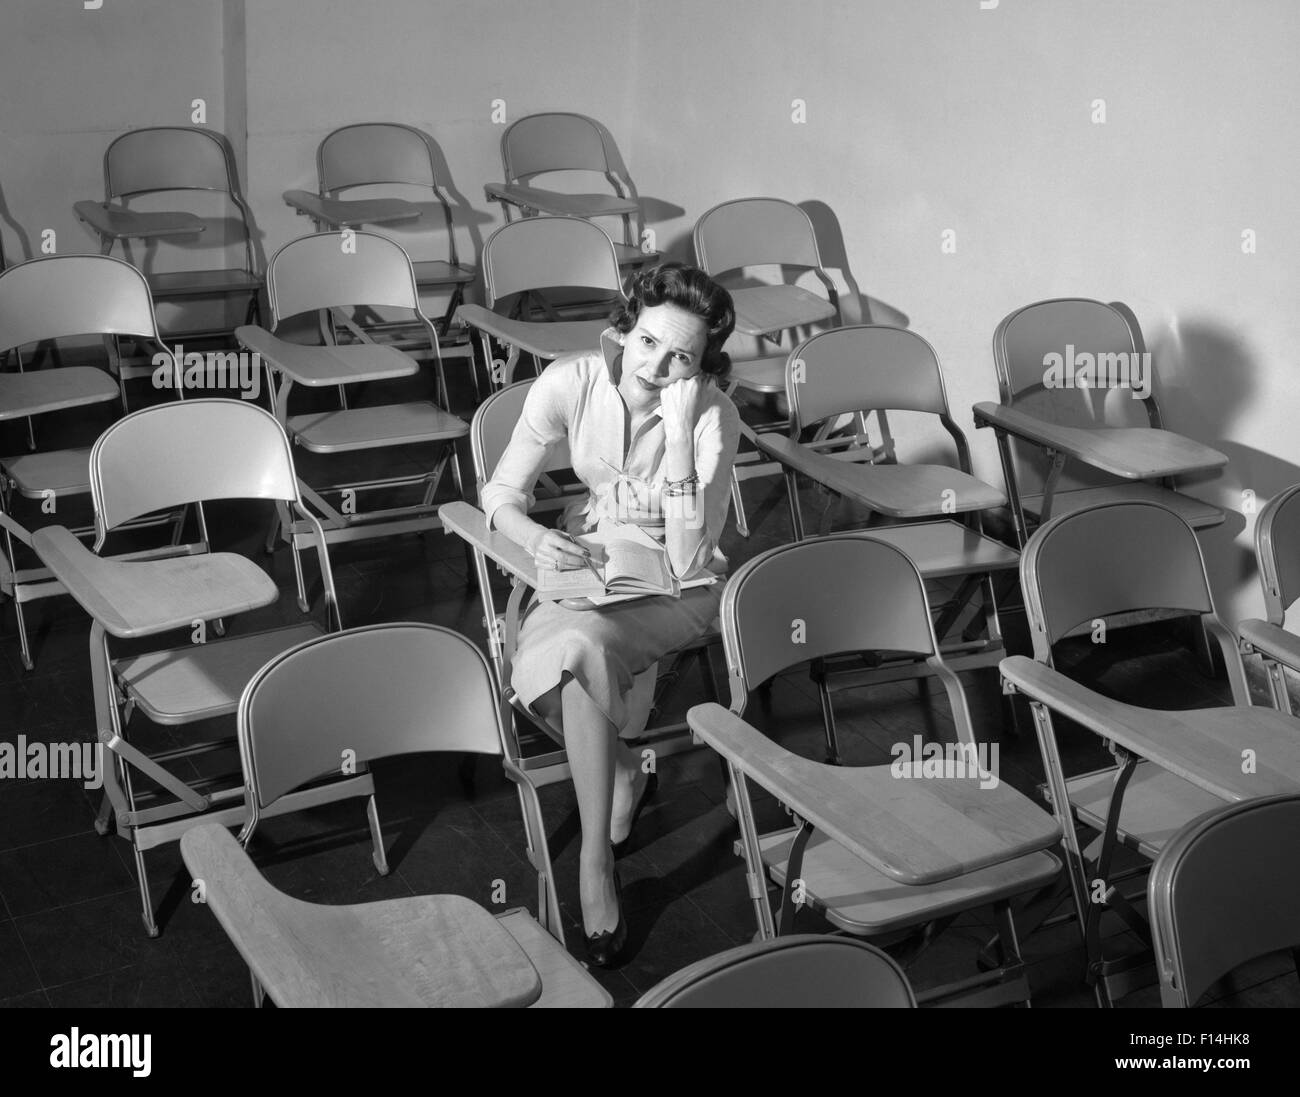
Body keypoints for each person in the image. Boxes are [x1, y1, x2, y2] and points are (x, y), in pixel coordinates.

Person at [481, 263, 739, 966]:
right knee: (574, 652)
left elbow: (689, 557)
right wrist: (538, 538)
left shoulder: (716, 415)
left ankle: (594, 863)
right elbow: (500, 494)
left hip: (681, 587)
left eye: (681, 356)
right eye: (649, 341)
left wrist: (682, 438)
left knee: (575, 650)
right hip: (590, 562)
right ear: (622, 330)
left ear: (701, 367)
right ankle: (623, 768)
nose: (657, 366)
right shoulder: (570, 383)